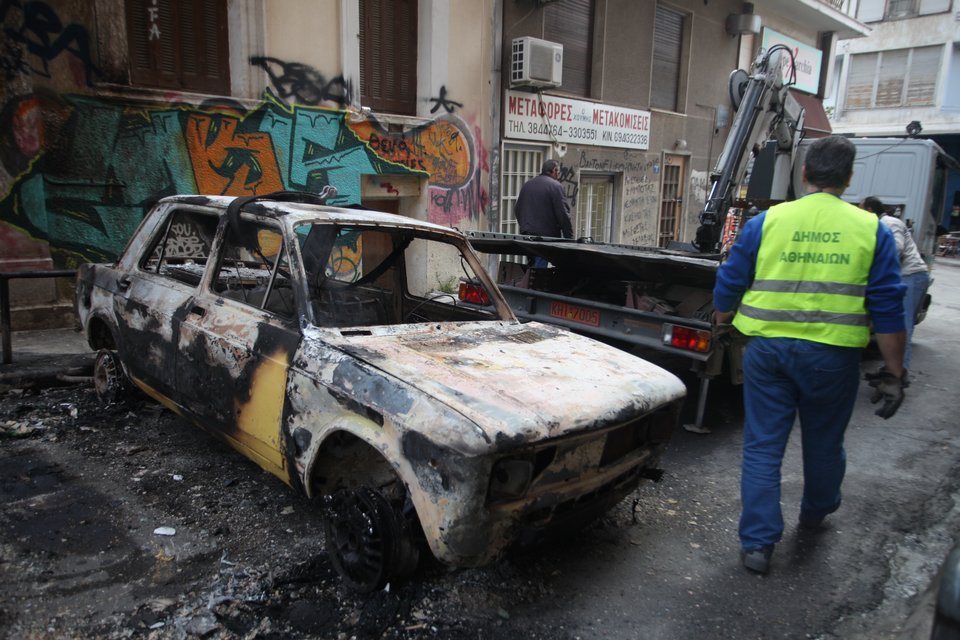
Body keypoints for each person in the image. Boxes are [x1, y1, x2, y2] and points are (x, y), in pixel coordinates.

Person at [713, 135, 907, 575]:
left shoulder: (768, 221)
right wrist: (895, 370)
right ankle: (817, 511)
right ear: (849, 177)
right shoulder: (870, 228)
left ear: (803, 174)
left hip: (766, 352)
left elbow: (730, 280)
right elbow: (888, 307)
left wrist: (722, 320)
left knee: (763, 446)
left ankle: (758, 545)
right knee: (823, 442)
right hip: (832, 357)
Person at [859, 196, 930, 372]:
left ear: (869, 210)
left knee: (902, 324)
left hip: (911, 275)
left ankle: (897, 374)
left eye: (860, 210)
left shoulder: (890, 222)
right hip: (906, 275)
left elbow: (896, 249)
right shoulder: (879, 224)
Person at [515, 159, 573, 239]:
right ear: (554, 170)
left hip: (527, 238)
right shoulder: (556, 186)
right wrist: (569, 238)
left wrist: (525, 227)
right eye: (559, 173)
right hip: (548, 239)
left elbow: (517, 209)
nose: (558, 176)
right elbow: (563, 215)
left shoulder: (527, 185)